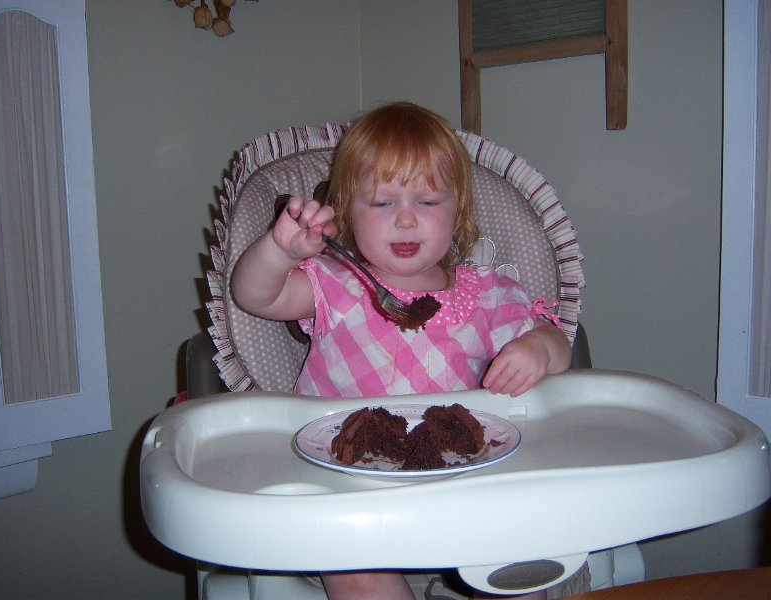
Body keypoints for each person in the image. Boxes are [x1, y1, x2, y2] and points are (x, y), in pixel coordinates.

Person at [231, 102, 572, 600]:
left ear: (458, 211)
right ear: (347, 213)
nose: (406, 220)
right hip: (347, 486)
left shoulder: (489, 294)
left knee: (517, 566)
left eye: (428, 201)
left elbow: (559, 342)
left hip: (462, 481)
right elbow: (255, 296)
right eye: (382, 203)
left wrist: (538, 347)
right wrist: (279, 252)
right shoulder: (335, 285)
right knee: (356, 574)